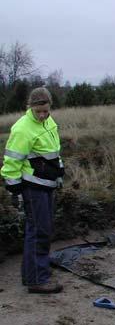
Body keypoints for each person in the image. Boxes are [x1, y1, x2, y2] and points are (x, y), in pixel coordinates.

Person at [1, 87, 64, 293]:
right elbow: (11, 161)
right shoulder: (22, 128)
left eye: (46, 111)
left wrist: (59, 173)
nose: (43, 115)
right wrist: (15, 189)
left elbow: (53, 153)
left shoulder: (49, 122)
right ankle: (37, 280)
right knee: (38, 232)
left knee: (42, 230)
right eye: (39, 112)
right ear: (30, 108)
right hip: (32, 187)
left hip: (47, 185)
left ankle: (35, 273)